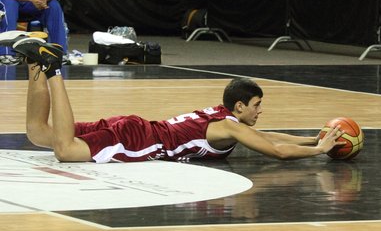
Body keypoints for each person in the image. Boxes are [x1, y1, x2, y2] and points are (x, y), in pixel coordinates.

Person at [13, 37, 344, 163]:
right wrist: (319, 150)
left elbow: (269, 137)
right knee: (65, 150)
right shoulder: (230, 126)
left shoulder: (226, 119)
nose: (261, 111)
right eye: (257, 105)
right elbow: (274, 150)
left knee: (38, 132)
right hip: (140, 139)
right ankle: (53, 69)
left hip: (134, 127)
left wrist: (312, 137)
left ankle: (35, 64)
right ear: (239, 107)